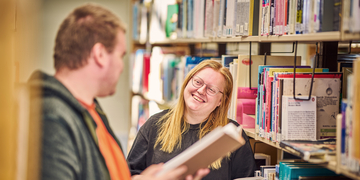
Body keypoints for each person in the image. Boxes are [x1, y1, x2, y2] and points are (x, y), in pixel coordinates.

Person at [27, 3, 209, 180]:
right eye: (121, 55)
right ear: (100, 55)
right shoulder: (51, 118)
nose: (122, 67)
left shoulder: (89, 109)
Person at [127, 60, 257, 180]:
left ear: (221, 101)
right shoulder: (154, 125)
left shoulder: (231, 135)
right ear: (187, 82)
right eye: (198, 82)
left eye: (211, 89)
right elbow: (129, 174)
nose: (201, 90)